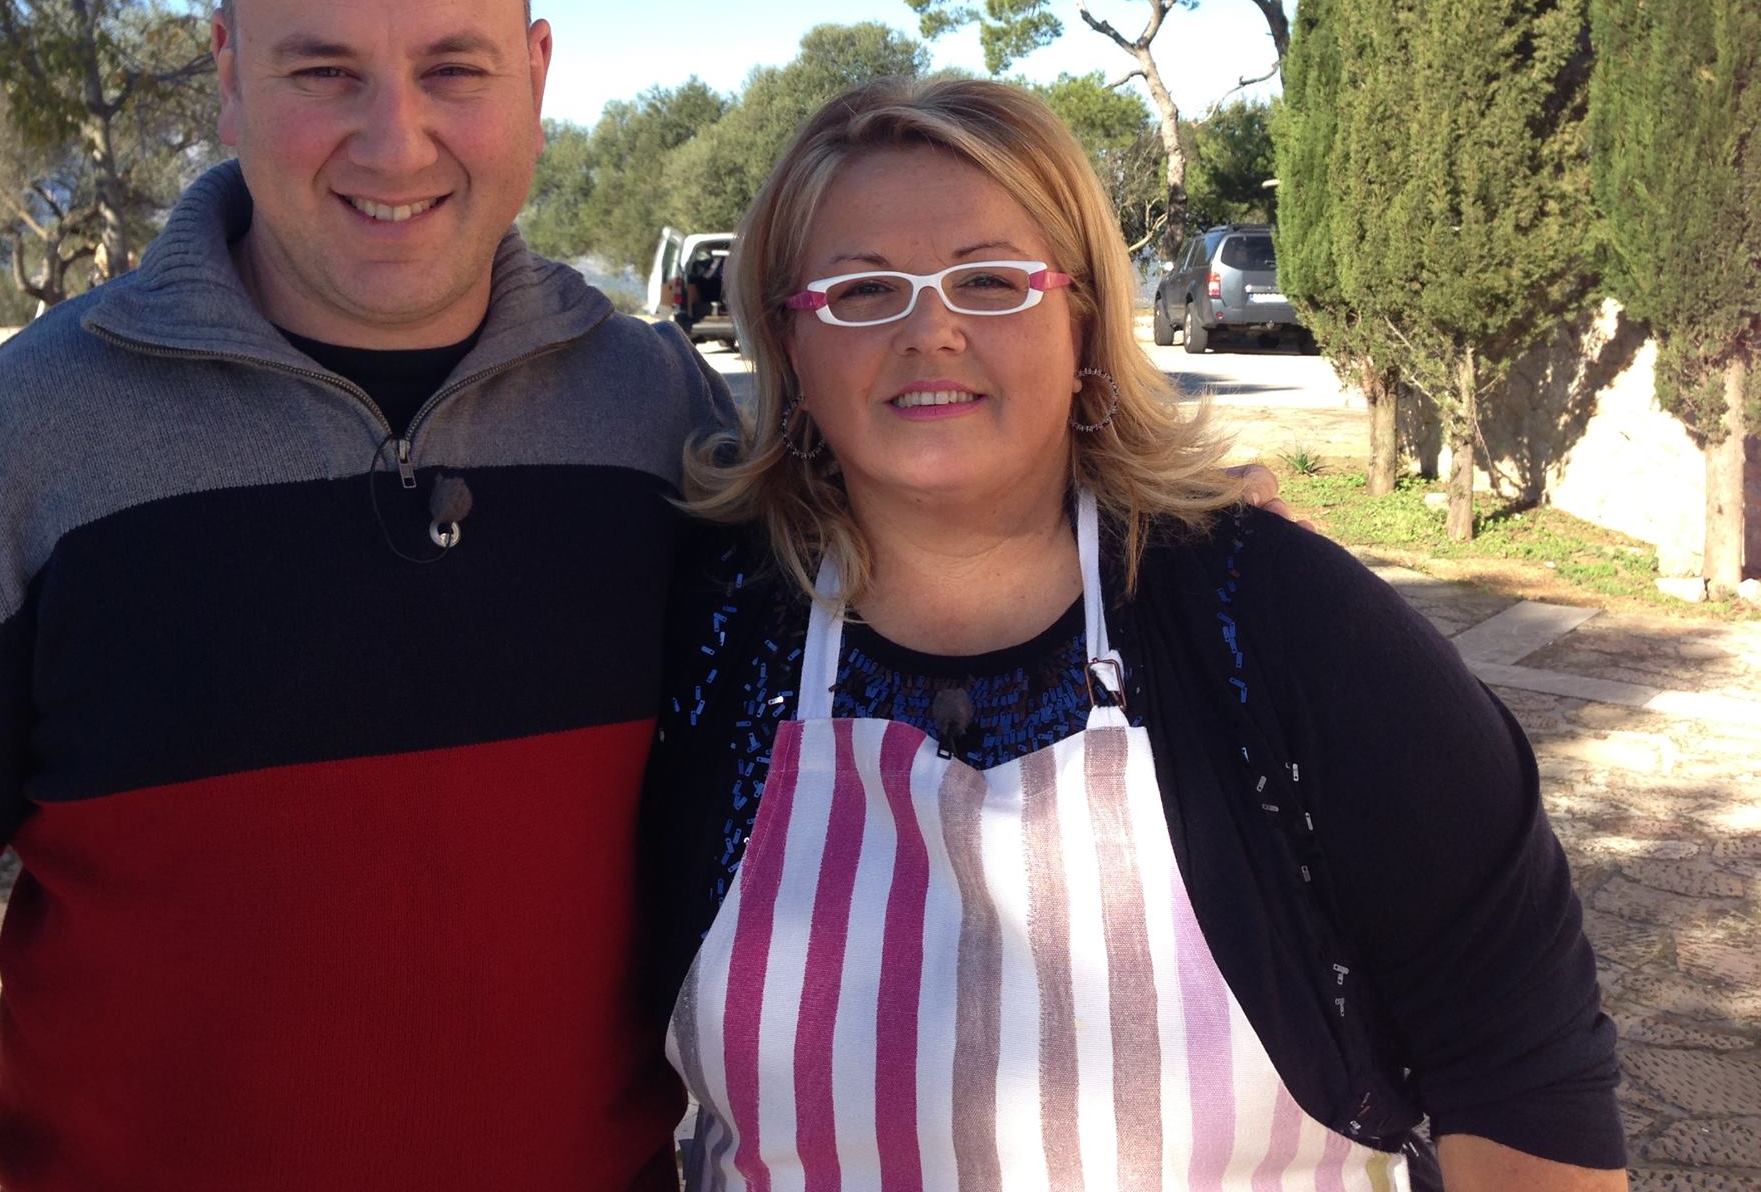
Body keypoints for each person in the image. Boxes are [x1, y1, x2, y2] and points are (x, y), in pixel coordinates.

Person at [0, 0, 731, 1190]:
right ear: (226, 76)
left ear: (540, 76)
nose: (397, 138)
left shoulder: (664, 417)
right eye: (323, 73)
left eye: (455, 69)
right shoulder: (11, 450)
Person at [645, 78, 1625, 1190]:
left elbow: (1517, 1064)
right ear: (787, 338)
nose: (932, 330)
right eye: (863, 290)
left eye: (989, 280)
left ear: (1080, 317)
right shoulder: (706, 643)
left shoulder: (1270, 618)